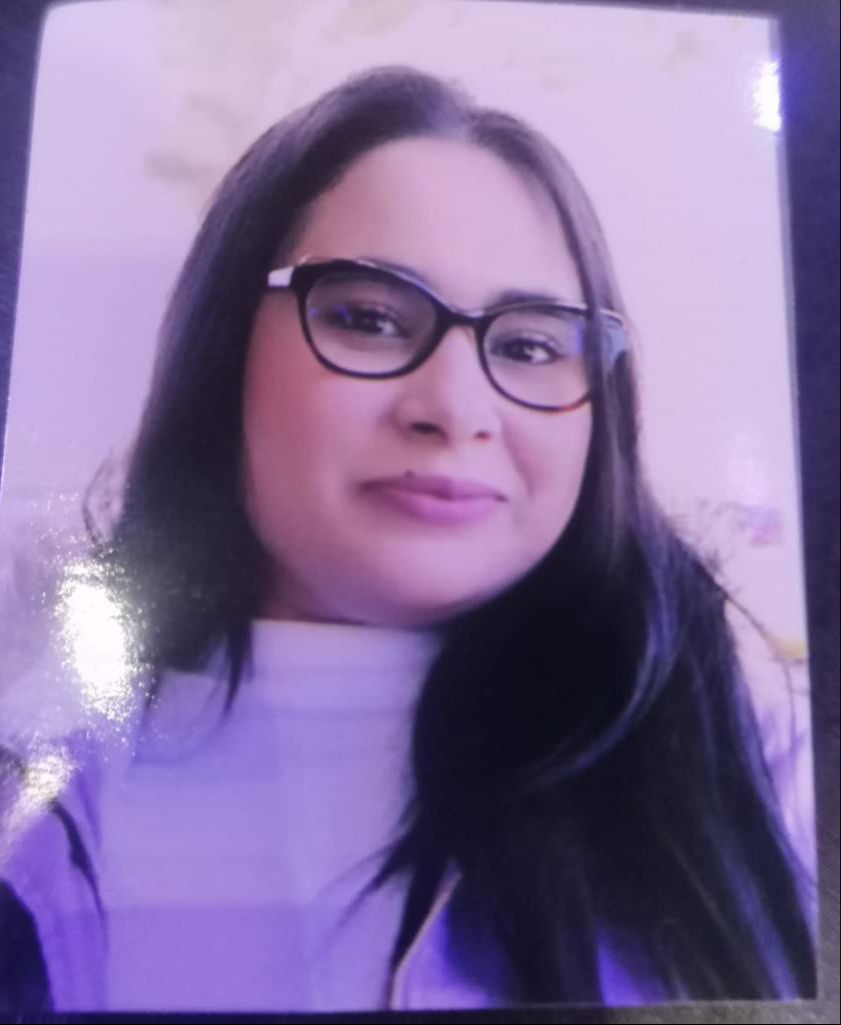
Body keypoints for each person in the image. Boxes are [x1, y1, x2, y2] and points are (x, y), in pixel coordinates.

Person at [0, 65, 816, 1013]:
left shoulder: (755, 761)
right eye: (370, 320)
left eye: (528, 345)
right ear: (223, 350)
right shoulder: (48, 783)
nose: (456, 408)